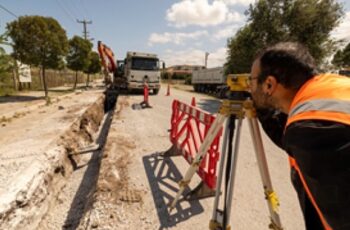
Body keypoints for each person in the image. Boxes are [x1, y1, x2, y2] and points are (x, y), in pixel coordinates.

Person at [249, 42, 350, 230]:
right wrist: (262, 109)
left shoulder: (311, 129)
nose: (249, 87)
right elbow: (290, 141)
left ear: (269, 84)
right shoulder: (330, 89)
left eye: (252, 81)